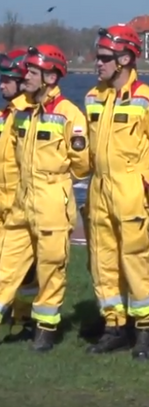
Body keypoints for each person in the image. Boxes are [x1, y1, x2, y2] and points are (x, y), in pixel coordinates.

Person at [84, 24, 149, 359]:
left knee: (134, 258)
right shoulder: (92, 96)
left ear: (126, 59)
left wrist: (148, 181)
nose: (97, 64)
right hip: (99, 189)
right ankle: (113, 325)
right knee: (103, 260)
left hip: (132, 188)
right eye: (98, 57)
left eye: (105, 58)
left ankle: (145, 326)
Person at [0, 44, 90, 351]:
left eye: (33, 72)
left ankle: (45, 329)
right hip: (21, 203)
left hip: (52, 203)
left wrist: (55, 183)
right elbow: (11, 154)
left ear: (51, 77)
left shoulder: (69, 114)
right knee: (6, 266)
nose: (25, 76)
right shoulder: (22, 110)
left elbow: (81, 163)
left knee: (51, 268)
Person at [0, 49, 40, 342]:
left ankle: (26, 317)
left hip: (21, 202)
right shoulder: (8, 113)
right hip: (4, 201)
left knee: (26, 270)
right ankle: (17, 315)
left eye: (8, 81)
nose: (2, 86)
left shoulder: (27, 113)